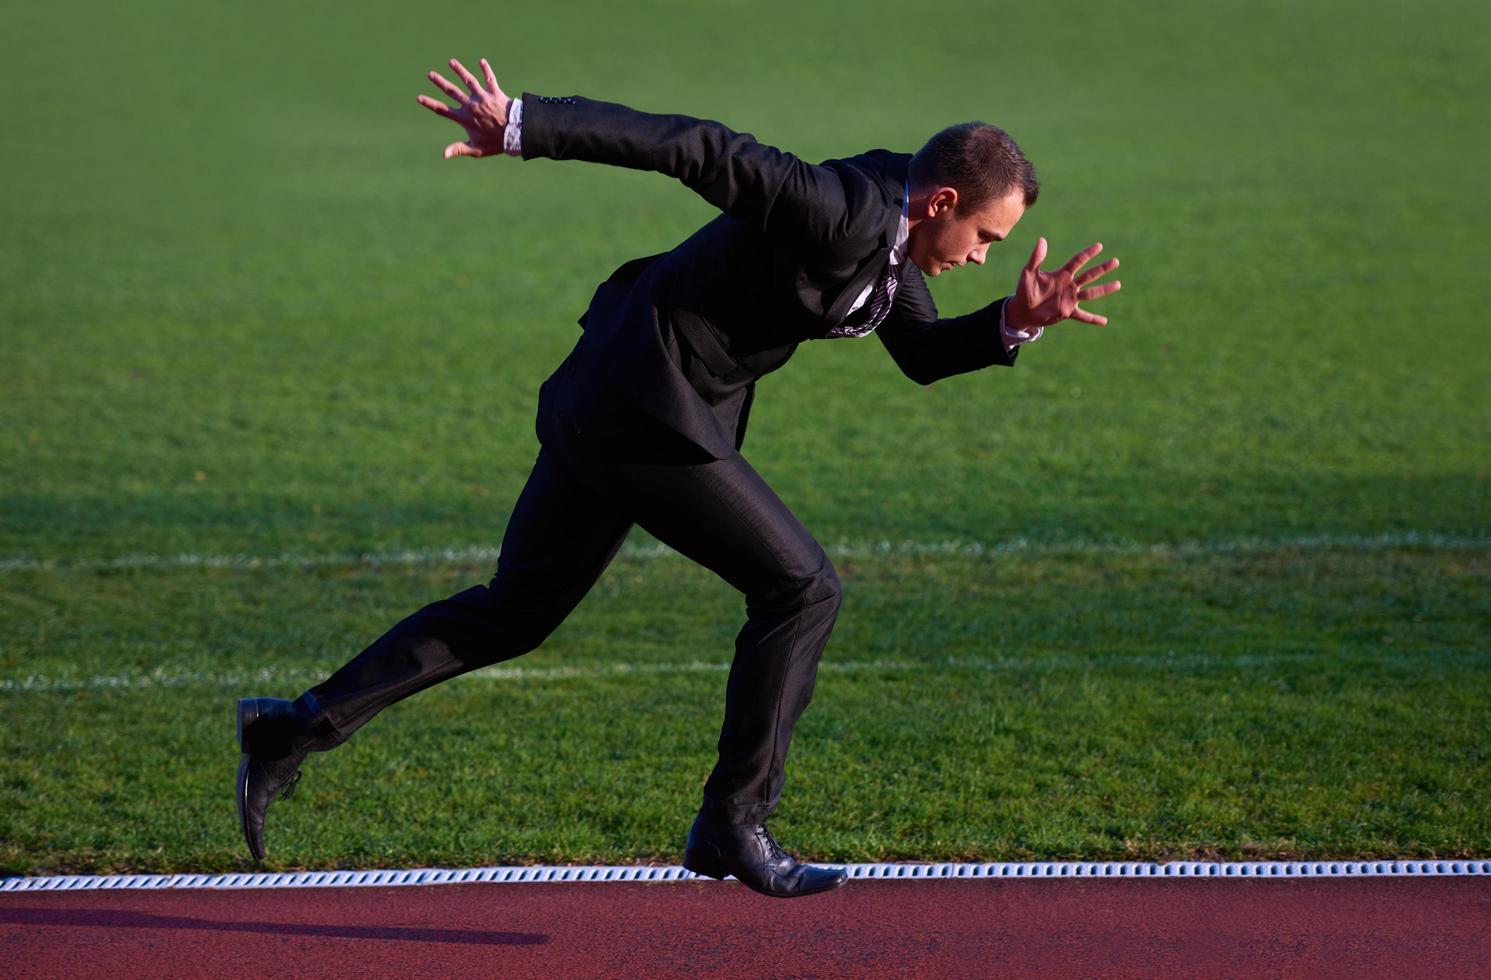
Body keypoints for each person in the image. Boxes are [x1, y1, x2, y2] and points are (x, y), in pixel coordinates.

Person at [235, 57, 1122, 899]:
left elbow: (922, 354)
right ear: (940, 201)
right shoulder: (834, 208)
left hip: (611, 396)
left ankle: (287, 731)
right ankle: (733, 824)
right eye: (985, 238)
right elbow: (694, 146)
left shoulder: (895, 242)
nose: (981, 256)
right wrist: (525, 125)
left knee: (515, 612)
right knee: (802, 588)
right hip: (639, 412)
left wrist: (1011, 321)